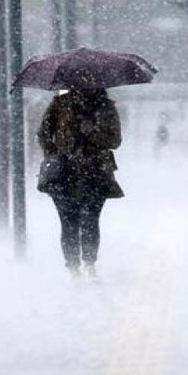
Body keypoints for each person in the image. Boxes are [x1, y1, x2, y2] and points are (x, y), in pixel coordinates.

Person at [37, 88, 123, 281]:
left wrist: (93, 132)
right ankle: (73, 268)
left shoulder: (106, 108)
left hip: (96, 172)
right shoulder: (60, 104)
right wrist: (54, 153)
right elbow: (43, 133)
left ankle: (90, 264)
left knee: (91, 220)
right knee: (68, 222)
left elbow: (115, 140)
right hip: (64, 173)